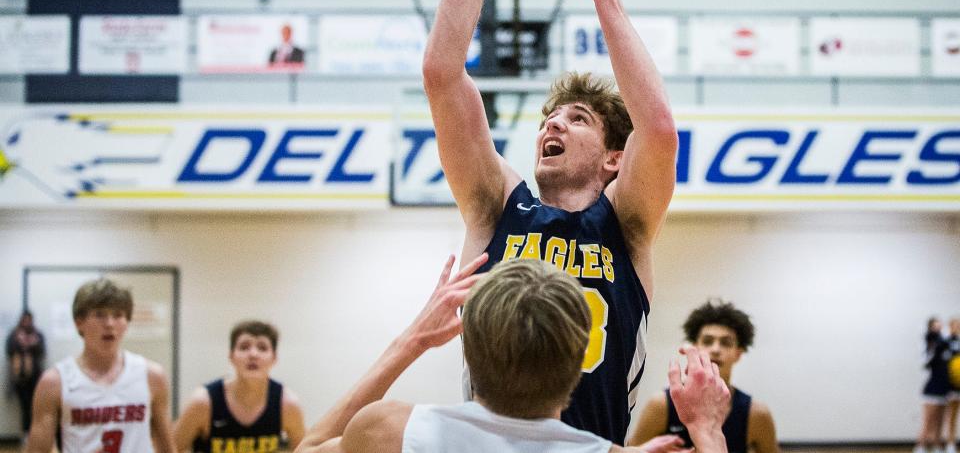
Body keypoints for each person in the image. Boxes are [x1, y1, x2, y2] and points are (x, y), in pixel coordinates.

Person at [420, 0, 677, 444]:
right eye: (549, 119)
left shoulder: (626, 225)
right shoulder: (497, 207)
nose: (552, 124)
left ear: (615, 157)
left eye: (578, 118)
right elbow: (442, 75)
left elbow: (657, 127)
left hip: (589, 444)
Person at [295, 255, 729, 453]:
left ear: (468, 347)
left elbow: (308, 447)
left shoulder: (387, 431)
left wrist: (413, 340)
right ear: (581, 360)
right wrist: (707, 430)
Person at [26, 278, 176, 453]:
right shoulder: (54, 381)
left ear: (127, 322)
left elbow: (167, 447)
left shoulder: (152, 375)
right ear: (79, 322)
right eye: (99, 314)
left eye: (118, 315)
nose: (109, 324)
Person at [628, 300, 779, 453]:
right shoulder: (660, 405)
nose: (715, 349)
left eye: (726, 343)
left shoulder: (757, 414)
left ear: (738, 353)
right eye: (708, 341)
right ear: (695, 347)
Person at [174, 320, 305, 452]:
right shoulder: (203, 402)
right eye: (244, 347)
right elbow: (169, 449)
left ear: (274, 357)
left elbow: (304, 449)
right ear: (231, 356)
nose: (253, 354)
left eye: (262, 348)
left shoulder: (287, 404)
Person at [6, 309, 46, 435]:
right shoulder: (14, 334)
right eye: (24, 320)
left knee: (35, 407)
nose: (27, 322)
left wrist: (32, 344)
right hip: (19, 377)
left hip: (35, 377)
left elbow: (42, 352)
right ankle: (26, 436)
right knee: (25, 407)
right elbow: (9, 351)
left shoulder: (38, 334)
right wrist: (21, 343)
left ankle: (35, 435)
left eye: (29, 320)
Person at [916, 317, 951, 453]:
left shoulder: (944, 342)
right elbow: (925, 362)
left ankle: (937, 444)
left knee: (941, 419)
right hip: (932, 386)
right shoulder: (929, 342)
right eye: (935, 326)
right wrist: (934, 347)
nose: (938, 328)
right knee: (928, 419)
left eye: (940, 326)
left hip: (944, 385)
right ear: (930, 327)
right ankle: (920, 446)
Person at [944, 317, 960, 453]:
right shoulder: (945, 342)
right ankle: (950, 443)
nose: (957, 328)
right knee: (952, 416)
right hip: (952, 385)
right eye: (955, 325)